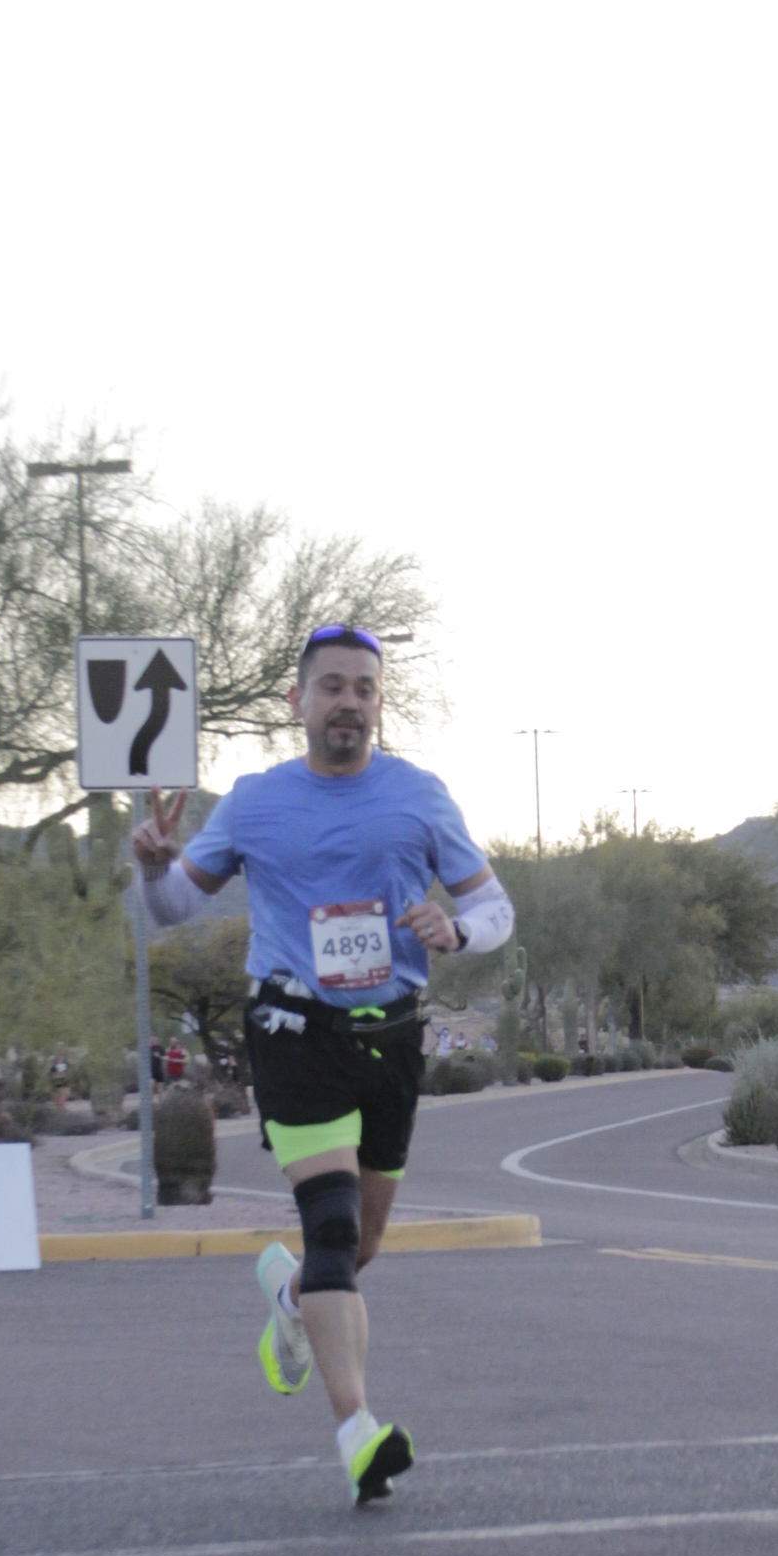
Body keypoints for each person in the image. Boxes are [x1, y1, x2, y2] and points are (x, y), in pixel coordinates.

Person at [129, 621, 514, 1504]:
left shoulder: (419, 796)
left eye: (363, 689)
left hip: (393, 1038)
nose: (348, 702)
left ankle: (290, 1298)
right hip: (294, 1029)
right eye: (332, 686)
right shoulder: (255, 802)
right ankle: (358, 1434)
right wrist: (152, 868)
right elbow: (174, 907)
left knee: (361, 1245)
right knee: (333, 1229)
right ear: (297, 700)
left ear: (379, 703)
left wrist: (456, 929)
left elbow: (496, 908)